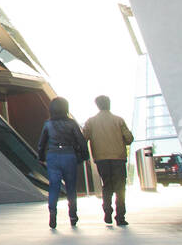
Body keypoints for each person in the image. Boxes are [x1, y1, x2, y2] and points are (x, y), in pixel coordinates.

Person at [37, 97, 89, 229]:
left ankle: (52, 213)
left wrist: (41, 157)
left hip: (53, 155)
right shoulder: (71, 123)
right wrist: (84, 156)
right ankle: (72, 216)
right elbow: (81, 140)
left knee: (54, 186)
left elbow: (42, 143)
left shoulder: (48, 124)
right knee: (71, 187)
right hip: (68, 155)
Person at [83, 95, 134, 226]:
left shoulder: (91, 121)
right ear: (109, 104)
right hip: (118, 157)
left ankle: (107, 212)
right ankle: (120, 216)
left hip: (101, 158)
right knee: (120, 187)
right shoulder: (118, 120)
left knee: (106, 185)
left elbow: (84, 137)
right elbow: (129, 139)